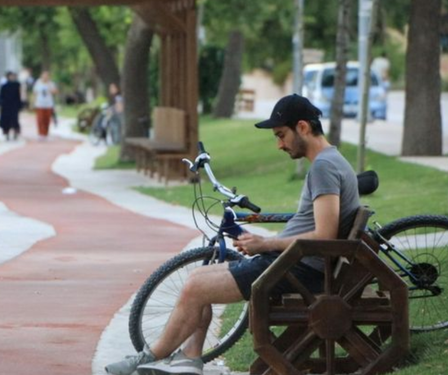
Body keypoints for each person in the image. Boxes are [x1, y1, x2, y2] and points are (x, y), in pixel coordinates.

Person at [105, 94, 361, 375]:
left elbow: (325, 235)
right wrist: (268, 246)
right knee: (197, 278)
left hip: (299, 270)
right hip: (293, 264)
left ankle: (146, 358)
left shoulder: (324, 167)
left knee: (196, 288)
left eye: (281, 135)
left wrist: (266, 244)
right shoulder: (330, 161)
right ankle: (190, 358)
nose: (279, 145)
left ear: (302, 127)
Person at [32, 70, 58, 140]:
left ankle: (45, 133)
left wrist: (50, 87)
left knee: (47, 119)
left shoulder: (51, 83)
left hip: (48, 104)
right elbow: (35, 93)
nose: (45, 77)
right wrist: (33, 103)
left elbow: (55, 91)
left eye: (47, 76)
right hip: (39, 104)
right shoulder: (38, 83)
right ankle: (40, 133)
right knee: (40, 119)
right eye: (44, 75)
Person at [0, 71, 23, 141]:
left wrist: (20, 104)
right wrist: (0, 104)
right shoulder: (4, 86)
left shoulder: (17, 85)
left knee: (15, 120)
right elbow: (1, 96)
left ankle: (15, 133)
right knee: (6, 120)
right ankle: (6, 133)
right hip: (6, 106)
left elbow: (19, 95)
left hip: (14, 105)